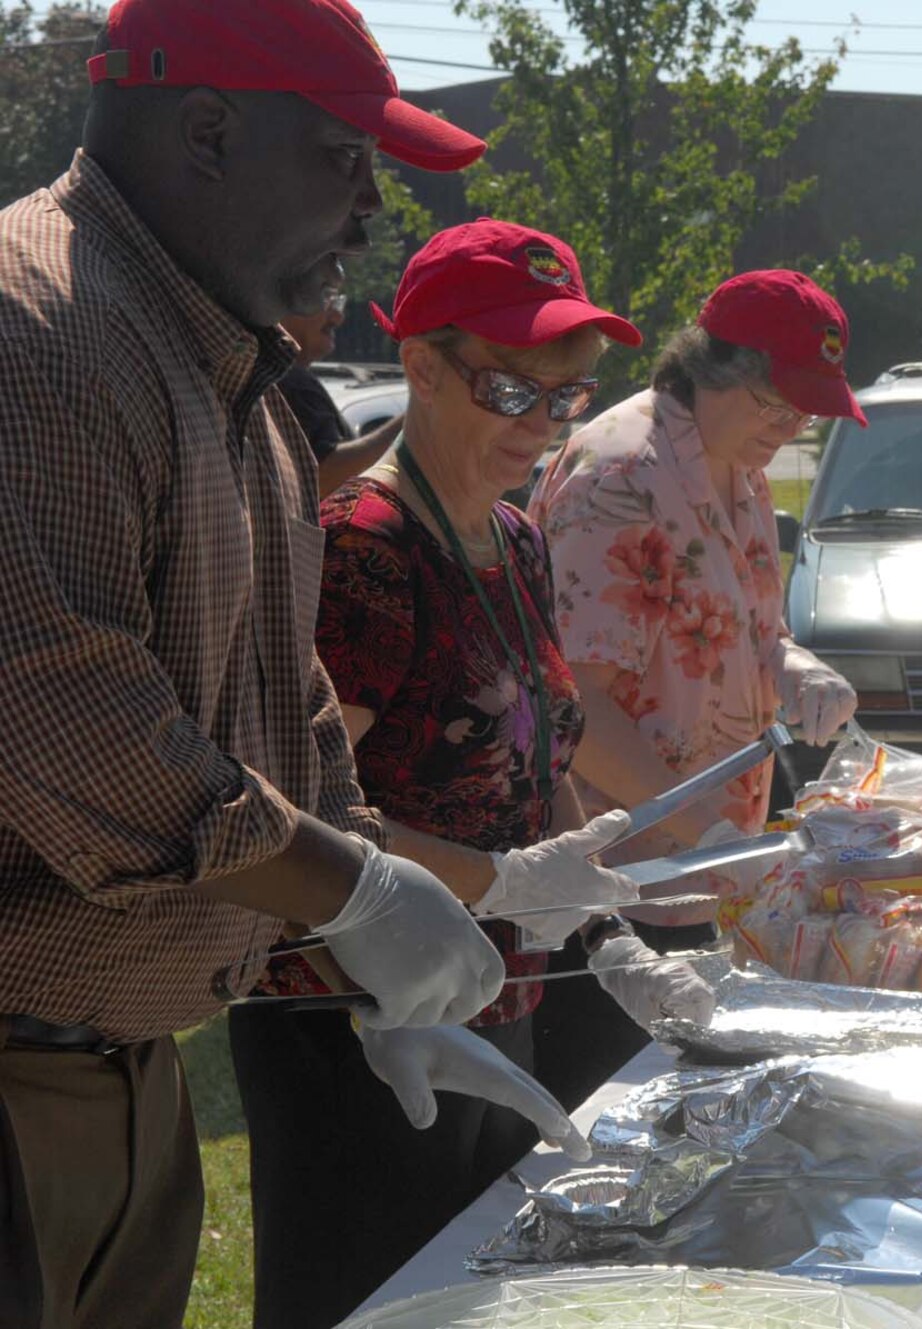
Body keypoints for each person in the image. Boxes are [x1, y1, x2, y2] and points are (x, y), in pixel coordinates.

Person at [0, 3, 519, 1326]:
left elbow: (283, 706)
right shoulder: (37, 331)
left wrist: (367, 925)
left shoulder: (231, 370)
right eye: (346, 160)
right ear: (211, 132)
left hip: (124, 1079)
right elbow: (78, 725)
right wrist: (354, 891)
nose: (369, 210)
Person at [228, 219, 713, 1329]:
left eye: (569, 396)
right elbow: (294, 810)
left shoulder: (513, 533)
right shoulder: (361, 549)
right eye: (512, 390)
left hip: (491, 1001)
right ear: (421, 366)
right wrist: (499, 883)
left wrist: (602, 926)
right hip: (359, 1031)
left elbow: (540, 756)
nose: (543, 425)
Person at [528, 269, 862, 1092]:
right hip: (617, 894)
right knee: (613, 1134)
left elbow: (745, 628)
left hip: (704, 879)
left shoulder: (737, 463)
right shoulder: (621, 475)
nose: (790, 428)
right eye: (776, 403)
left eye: (806, 411)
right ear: (715, 367)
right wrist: (709, 835)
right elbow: (572, 705)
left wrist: (796, 667)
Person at [277, 290, 402, 495]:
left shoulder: (288, 379)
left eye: (338, 301)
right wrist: (416, 417)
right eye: (326, 298)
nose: (338, 316)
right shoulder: (292, 382)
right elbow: (325, 477)